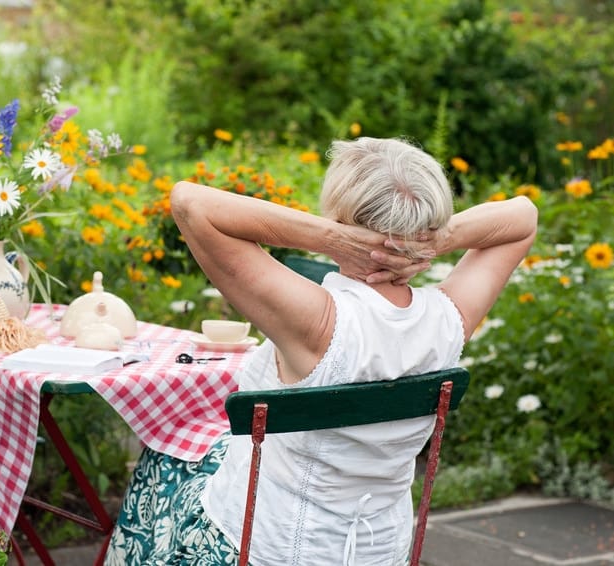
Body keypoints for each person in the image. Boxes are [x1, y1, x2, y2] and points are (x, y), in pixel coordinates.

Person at [105, 137, 537, 566]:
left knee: (166, 459)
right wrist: (431, 240)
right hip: (382, 551)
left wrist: (329, 237)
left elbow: (189, 202)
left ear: (342, 219)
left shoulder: (319, 322)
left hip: (272, 550)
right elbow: (523, 217)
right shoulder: (448, 318)